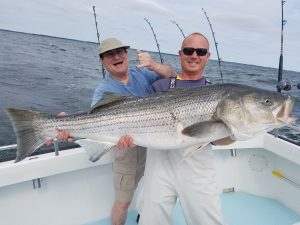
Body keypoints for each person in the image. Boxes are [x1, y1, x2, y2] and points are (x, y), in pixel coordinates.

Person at [56, 37, 175, 225]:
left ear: (127, 55)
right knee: (123, 202)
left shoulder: (142, 72)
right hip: (126, 149)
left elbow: (171, 76)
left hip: (154, 142)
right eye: (109, 55)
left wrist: (153, 65)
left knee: (152, 189)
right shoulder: (103, 90)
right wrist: (68, 126)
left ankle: (144, 217)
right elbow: (94, 124)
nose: (116, 57)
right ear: (102, 61)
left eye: (120, 52)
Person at [120, 32, 235, 225]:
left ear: (208, 56)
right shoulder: (160, 86)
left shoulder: (216, 93)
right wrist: (125, 136)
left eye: (201, 51)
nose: (194, 56)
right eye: (189, 50)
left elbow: (218, 140)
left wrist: (234, 132)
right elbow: (136, 118)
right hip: (158, 169)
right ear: (180, 54)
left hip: (198, 171)